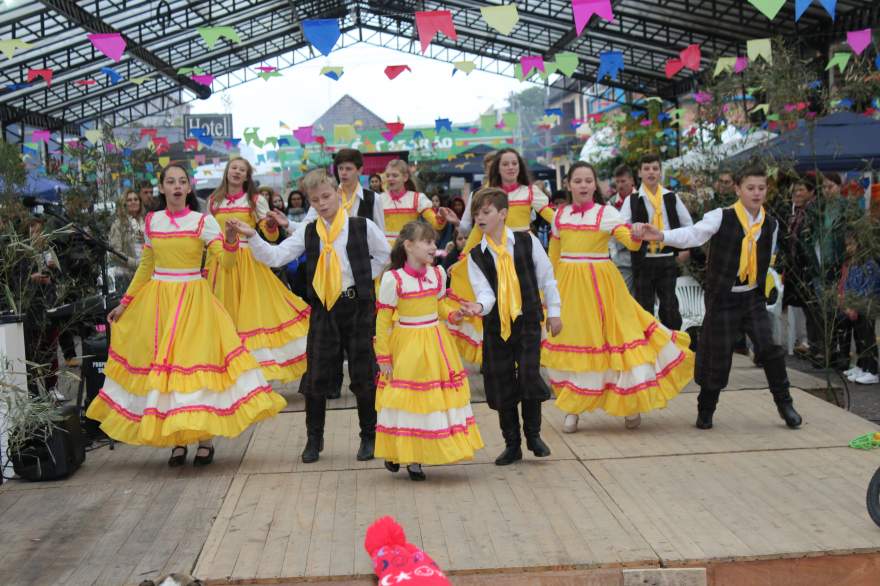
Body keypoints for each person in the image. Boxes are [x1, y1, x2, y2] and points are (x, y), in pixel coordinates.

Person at [86, 164, 286, 466]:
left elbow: (228, 263)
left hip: (194, 301)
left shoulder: (203, 221)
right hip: (159, 303)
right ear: (162, 188)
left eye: (182, 181)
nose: (177, 186)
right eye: (171, 181)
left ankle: (204, 439)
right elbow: (146, 266)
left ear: (189, 188)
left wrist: (231, 240)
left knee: (193, 369)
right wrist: (126, 302)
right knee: (166, 373)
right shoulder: (152, 221)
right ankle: (177, 440)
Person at [226, 168, 390, 463]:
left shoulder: (362, 225)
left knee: (364, 376)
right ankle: (314, 439)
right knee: (315, 379)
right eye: (315, 200)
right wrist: (253, 237)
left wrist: (365, 277)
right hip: (322, 310)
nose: (322, 203)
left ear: (337, 194)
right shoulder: (309, 230)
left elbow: (385, 255)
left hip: (357, 308)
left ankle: (369, 436)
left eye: (326, 196)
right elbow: (276, 256)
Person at [636, 163, 803, 430]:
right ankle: (706, 409)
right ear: (738, 189)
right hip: (723, 297)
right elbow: (693, 234)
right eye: (750, 188)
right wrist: (662, 235)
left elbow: (766, 259)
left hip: (752, 297)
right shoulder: (720, 216)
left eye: (761, 188)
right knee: (717, 355)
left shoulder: (770, 224)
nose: (756, 193)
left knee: (770, 348)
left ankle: (785, 404)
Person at [542, 163, 694, 432]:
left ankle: (630, 403)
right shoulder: (559, 216)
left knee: (618, 339)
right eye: (578, 180)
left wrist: (637, 232)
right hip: (568, 287)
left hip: (602, 287)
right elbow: (553, 255)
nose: (584, 185)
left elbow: (630, 243)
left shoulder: (607, 213)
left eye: (589, 180)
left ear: (595, 185)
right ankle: (573, 407)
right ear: (568, 184)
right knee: (574, 343)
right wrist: (549, 291)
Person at [459, 187, 561, 466]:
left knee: (529, 374)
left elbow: (547, 278)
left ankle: (534, 435)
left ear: (502, 214)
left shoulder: (527, 241)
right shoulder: (475, 256)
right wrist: (478, 307)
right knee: (501, 381)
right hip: (496, 326)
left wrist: (554, 312)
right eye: (476, 213)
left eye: (486, 212)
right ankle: (511, 443)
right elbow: (485, 293)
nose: (480, 217)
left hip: (527, 319)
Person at [375, 221, 484, 480]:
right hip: (408, 344)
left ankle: (416, 459)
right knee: (407, 399)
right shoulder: (393, 279)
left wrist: (455, 314)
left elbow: (440, 306)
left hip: (436, 342)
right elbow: (382, 321)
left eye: (434, 242)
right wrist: (383, 356)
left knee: (432, 400)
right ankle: (400, 451)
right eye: (427, 242)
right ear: (409, 245)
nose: (433, 247)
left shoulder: (437, 274)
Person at [208, 157, 310, 383]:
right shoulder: (214, 201)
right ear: (226, 171)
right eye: (233, 168)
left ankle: (256, 372)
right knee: (226, 316)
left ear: (247, 176)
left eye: (241, 170)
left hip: (248, 262)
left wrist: (271, 225)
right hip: (221, 261)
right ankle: (232, 371)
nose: (236, 172)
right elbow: (211, 234)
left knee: (255, 315)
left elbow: (270, 235)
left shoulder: (255, 200)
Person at [447, 148, 552, 365]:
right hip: (493, 254)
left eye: (514, 163)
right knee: (495, 302)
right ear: (497, 168)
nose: (511, 168)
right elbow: (476, 228)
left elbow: (554, 218)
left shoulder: (530, 192)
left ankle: (524, 357)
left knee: (526, 304)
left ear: (520, 167)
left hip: (522, 252)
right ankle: (501, 358)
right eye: (505, 164)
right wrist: (464, 256)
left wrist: (576, 222)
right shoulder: (486, 194)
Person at [620, 153, 693, 331]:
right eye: (646, 169)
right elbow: (620, 229)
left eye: (655, 168)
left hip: (667, 258)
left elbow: (688, 225)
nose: (651, 172)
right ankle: (647, 346)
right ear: (639, 173)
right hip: (643, 259)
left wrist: (684, 249)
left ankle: (675, 344)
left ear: (660, 172)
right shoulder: (632, 200)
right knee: (644, 306)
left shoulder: (671, 197)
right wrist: (633, 231)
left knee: (669, 306)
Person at [380, 159, 457, 245]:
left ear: (405, 177)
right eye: (387, 176)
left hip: (409, 249)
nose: (390, 179)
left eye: (395, 175)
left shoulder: (417, 198)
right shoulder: (379, 199)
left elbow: (436, 224)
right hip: (385, 251)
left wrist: (442, 216)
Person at [838, 233, 880, 384]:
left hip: (866, 306)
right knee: (859, 337)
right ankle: (862, 366)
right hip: (854, 307)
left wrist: (855, 305)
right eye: (847, 245)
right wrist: (847, 303)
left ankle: (873, 370)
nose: (849, 248)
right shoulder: (853, 263)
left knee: (868, 338)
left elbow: (868, 288)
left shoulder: (869, 264)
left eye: (852, 245)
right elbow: (848, 284)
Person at [108, 190, 147, 293]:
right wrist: (134, 263)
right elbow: (115, 252)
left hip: (147, 272)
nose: (133, 202)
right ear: (124, 204)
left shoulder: (146, 221)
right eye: (129, 200)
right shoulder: (117, 225)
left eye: (136, 199)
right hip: (127, 275)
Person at [606, 165, 636, 292]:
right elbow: (608, 233)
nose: (620, 185)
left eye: (623, 181)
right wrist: (613, 255)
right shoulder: (610, 204)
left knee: (646, 299)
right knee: (624, 295)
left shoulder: (643, 198)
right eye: (617, 182)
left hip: (644, 257)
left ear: (632, 181)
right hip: (621, 259)